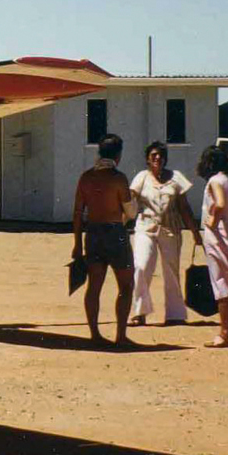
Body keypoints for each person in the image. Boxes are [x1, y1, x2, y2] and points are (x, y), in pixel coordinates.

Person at [72, 133, 136, 346]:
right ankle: (120, 335)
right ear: (118, 155)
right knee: (125, 286)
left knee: (94, 286)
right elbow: (131, 211)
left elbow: (77, 212)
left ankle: (95, 334)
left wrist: (76, 244)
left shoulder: (86, 178)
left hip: (93, 234)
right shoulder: (119, 179)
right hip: (115, 232)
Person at [128, 141, 200, 326]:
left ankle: (175, 314)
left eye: (161, 155)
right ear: (147, 159)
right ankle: (139, 312)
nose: (157, 158)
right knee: (141, 266)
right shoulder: (141, 178)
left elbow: (184, 208)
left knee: (171, 272)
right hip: (146, 228)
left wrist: (195, 232)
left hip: (170, 229)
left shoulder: (176, 178)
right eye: (153, 155)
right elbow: (130, 201)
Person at [197, 144, 228, 347]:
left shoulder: (214, 180)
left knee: (220, 282)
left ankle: (225, 332)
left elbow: (217, 203)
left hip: (217, 233)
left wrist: (214, 221)